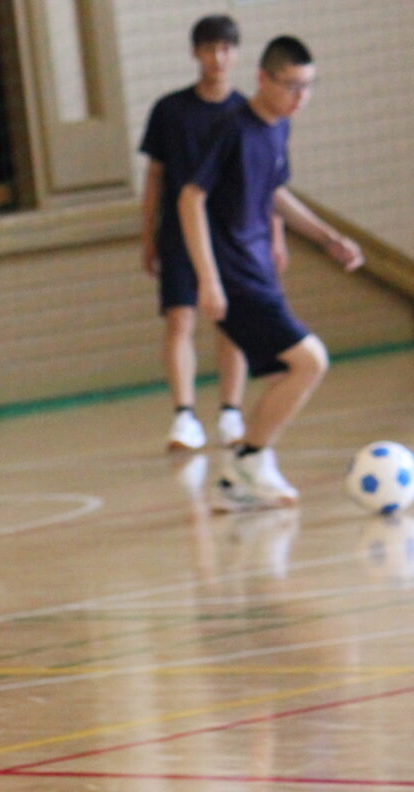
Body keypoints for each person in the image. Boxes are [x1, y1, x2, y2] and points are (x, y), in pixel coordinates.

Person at [180, 35, 365, 510]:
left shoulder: (278, 128)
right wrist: (208, 278)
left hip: (258, 271)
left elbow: (274, 193)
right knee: (309, 361)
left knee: (295, 368)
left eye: (308, 86)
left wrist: (327, 237)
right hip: (234, 277)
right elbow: (190, 198)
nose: (299, 97)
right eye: (290, 86)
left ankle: (242, 470)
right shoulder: (231, 129)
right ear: (263, 78)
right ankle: (248, 461)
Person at [138, 14, 255, 452]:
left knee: (231, 322)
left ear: (237, 53)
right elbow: (155, 178)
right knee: (180, 318)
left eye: (226, 48)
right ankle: (185, 416)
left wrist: (274, 237)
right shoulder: (170, 111)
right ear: (195, 52)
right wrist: (148, 234)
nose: (218, 57)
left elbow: (264, 185)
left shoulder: (246, 112)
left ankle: (230, 411)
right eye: (209, 48)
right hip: (179, 233)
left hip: (231, 234)